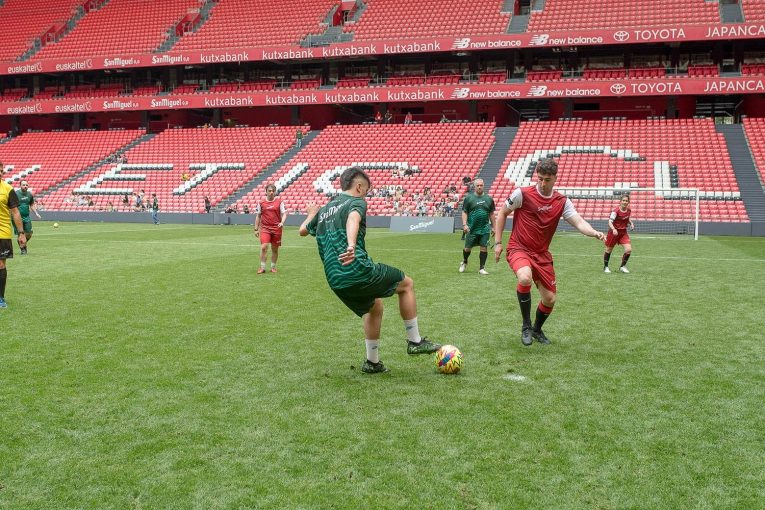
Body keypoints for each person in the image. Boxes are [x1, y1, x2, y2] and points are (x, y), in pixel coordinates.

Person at [299, 167, 441, 374]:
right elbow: (352, 219)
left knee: (375, 307)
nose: (366, 194)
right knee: (406, 284)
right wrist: (350, 244)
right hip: (355, 269)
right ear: (358, 186)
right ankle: (415, 341)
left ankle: (372, 363)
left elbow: (303, 230)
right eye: (366, 190)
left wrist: (312, 213)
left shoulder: (323, 210)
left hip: (335, 280)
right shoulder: (356, 202)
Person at [493, 158, 606, 346]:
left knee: (550, 299)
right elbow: (502, 213)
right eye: (540, 179)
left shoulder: (561, 201)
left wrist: (594, 232)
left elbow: (578, 222)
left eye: (547, 179)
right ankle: (526, 326)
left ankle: (536, 330)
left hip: (542, 254)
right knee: (524, 278)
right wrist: (498, 243)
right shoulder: (522, 194)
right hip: (519, 248)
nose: (543, 183)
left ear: (555, 178)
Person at [0, 163, 27, 308]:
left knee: (1, 264)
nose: (0, 173)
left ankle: (0, 297)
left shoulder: (8, 189)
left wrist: (21, 233)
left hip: (3, 233)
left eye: (1, 171)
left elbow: (15, 212)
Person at [459, 178, 495, 275]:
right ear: (474, 187)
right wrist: (464, 224)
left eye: (481, 185)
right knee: (467, 248)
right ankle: (465, 261)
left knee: (484, 248)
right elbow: (464, 212)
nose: (479, 187)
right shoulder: (469, 198)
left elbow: (491, 214)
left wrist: (494, 227)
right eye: (477, 185)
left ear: (483, 186)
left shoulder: (489, 199)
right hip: (472, 228)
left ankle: (481, 268)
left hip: (484, 228)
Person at [254, 184, 288, 274]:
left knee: (275, 249)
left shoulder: (279, 202)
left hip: (277, 228)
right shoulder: (261, 203)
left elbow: (285, 213)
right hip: (265, 228)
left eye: (273, 191)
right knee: (264, 247)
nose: (271, 192)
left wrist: (282, 222)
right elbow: (258, 216)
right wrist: (256, 229)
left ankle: (273, 267)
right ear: (266, 192)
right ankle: (262, 267)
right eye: (269, 190)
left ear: (275, 192)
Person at [603, 194, 635, 273]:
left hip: (623, 233)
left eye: (626, 201)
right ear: (620, 202)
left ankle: (622, 266)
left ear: (628, 202)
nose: (625, 202)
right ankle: (605, 267)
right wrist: (613, 229)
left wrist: (631, 223)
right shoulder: (615, 211)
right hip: (613, 233)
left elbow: (627, 218)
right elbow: (610, 222)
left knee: (628, 249)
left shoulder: (629, 210)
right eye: (623, 200)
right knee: (608, 249)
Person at [13, 180, 41, 255]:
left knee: (29, 233)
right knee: (21, 233)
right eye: (23, 185)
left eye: (26, 185)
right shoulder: (16, 194)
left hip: (26, 217)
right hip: (17, 217)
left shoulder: (30, 195)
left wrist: (36, 213)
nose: (25, 186)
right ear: (20, 186)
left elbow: (31, 204)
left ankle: (21, 241)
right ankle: (23, 249)